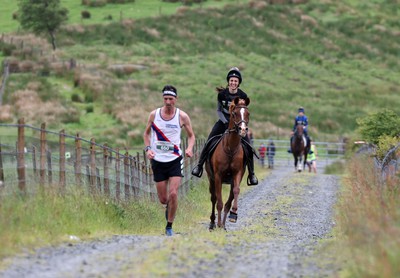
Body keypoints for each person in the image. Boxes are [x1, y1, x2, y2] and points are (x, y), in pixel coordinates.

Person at [191, 67, 258, 186]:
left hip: (237, 124)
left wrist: (238, 124)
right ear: (228, 81)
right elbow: (219, 110)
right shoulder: (222, 94)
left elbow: (243, 112)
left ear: (238, 83)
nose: (233, 83)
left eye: (235, 81)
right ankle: (199, 166)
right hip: (223, 122)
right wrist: (226, 122)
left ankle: (251, 174)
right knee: (209, 140)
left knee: (248, 147)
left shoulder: (243, 95)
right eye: (231, 80)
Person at [143, 85, 195, 236]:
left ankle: (169, 226)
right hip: (158, 160)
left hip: (174, 160)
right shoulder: (154, 115)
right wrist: (148, 149)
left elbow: (191, 136)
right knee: (163, 199)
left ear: (176, 100)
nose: (167, 102)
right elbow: (146, 134)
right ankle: (169, 207)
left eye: (170, 99)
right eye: (165, 98)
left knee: (173, 194)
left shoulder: (182, 116)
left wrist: (189, 148)